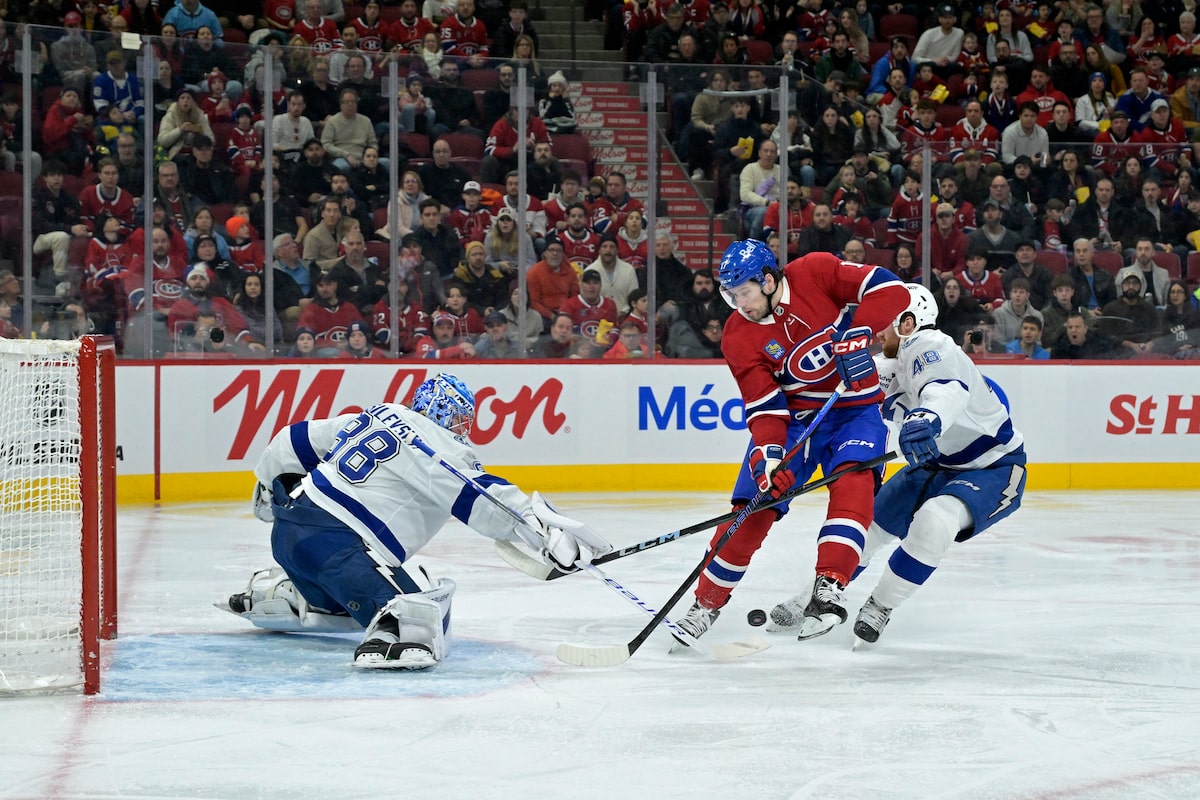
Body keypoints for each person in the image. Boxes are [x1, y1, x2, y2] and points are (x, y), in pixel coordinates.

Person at [227, 373, 610, 669]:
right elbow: (476, 494)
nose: (462, 427)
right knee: (418, 617)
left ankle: (286, 592)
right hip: (340, 548)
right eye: (459, 417)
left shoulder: (375, 415)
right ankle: (391, 632)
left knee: (338, 593)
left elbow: (292, 440)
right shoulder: (433, 443)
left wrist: (267, 488)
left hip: (288, 533)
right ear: (443, 412)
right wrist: (541, 531)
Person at [674, 240, 909, 642]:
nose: (738, 304)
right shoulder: (737, 335)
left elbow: (891, 290)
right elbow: (765, 407)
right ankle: (706, 603)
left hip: (854, 411)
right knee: (752, 509)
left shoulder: (814, 271)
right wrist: (769, 458)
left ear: (768, 281)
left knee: (854, 482)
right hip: (796, 424)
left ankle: (829, 585)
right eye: (731, 295)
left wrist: (859, 332)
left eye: (744, 292)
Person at [851, 283, 1026, 643]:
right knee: (863, 527)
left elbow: (945, 390)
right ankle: (818, 595)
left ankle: (881, 605)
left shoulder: (931, 345)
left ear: (908, 322)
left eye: (886, 321)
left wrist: (925, 418)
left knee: (934, 521)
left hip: (992, 467)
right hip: (934, 463)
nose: (878, 331)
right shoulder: (893, 363)